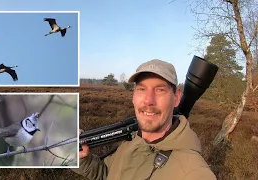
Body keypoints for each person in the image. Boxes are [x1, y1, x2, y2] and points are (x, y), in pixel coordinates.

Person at [71, 59, 217, 180]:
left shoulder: (194, 173)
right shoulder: (133, 140)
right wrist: (82, 159)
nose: (148, 101)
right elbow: (108, 174)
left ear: (177, 98)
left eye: (160, 90)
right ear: (133, 96)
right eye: (142, 89)